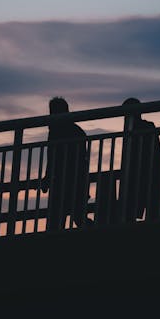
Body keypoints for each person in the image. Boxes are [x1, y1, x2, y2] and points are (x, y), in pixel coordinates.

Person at [42, 97, 92, 231]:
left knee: (57, 220)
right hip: (74, 181)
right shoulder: (76, 131)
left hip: (66, 182)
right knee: (77, 216)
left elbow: (53, 158)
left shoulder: (56, 132)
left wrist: (48, 177)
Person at [118, 97, 160, 223]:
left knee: (131, 209)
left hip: (141, 174)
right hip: (153, 173)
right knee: (154, 209)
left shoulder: (135, 129)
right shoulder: (148, 127)